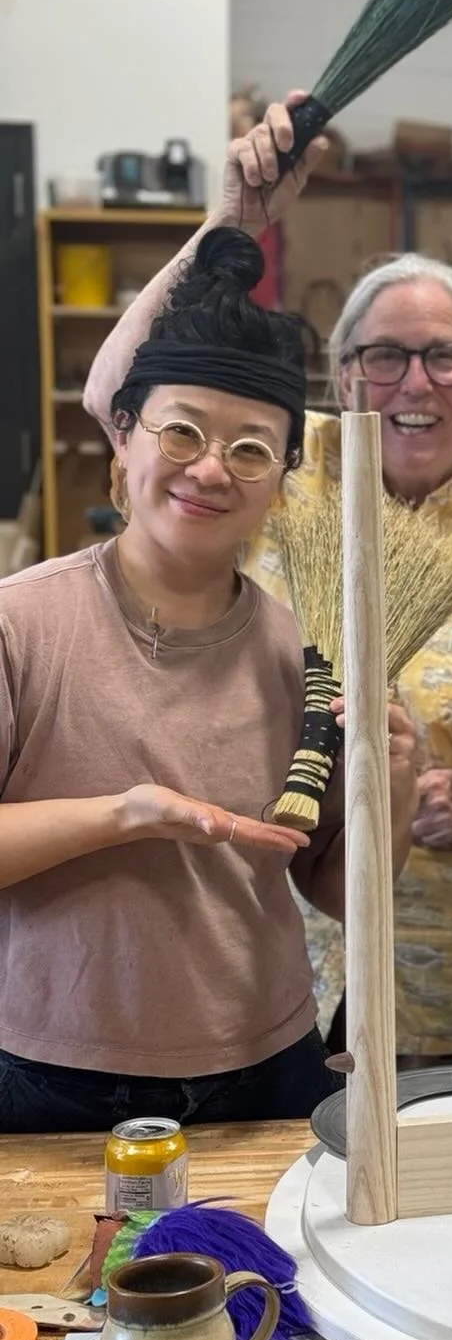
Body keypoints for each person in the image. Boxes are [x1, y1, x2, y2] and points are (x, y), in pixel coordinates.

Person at [84, 94, 452, 1066]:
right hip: (269, 949)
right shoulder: (276, 469)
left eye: (443, 358)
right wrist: (234, 221)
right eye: (383, 356)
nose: (413, 384)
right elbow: (118, 396)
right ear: (341, 376)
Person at [0, 227, 418, 1132]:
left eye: (252, 449)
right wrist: (123, 815)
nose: (208, 469)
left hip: (264, 1064)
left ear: (283, 479)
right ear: (126, 433)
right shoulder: (21, 621)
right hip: (50, 1070)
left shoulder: (303, 652)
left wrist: (397, 780)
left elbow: (335, 891)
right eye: (181, 430)